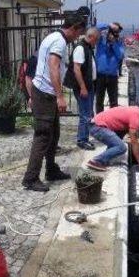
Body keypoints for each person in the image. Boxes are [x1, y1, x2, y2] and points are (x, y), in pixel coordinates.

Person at [22, 14, 87, 192]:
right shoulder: (59, 42)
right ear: (73, 28)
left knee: (54, 134)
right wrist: (60, 96)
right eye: (79, 32)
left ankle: (51, 169)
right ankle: (31, 178)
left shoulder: (54, 37)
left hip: (45, 93)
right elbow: (53, 66)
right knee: (43, 136)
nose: (78, 37)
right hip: (45, 94)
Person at [87, 103, 139, 171]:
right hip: (98, 128)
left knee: (123, 131)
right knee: (121, 147)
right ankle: (96, 161)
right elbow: (134, 141)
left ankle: (104, 159)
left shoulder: (135, 110)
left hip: (96, 125)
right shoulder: (135, 116)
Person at [64, 27, 100, 151]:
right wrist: (83, 87)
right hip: (83, 87)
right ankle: (82, 140)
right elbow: (77, 69)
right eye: (96, 40)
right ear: (90, 37)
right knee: (85, 114)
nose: (97, 42)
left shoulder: (88, 47)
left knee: (89, 113)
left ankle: (85, 137)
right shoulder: (80, 48)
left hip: (90, 85)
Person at [95, 22, 125, 114]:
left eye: (117, 32)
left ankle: (113, 120)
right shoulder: (101, 41)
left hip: (112, 76)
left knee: (114, 101)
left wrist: (113, 44)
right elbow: (94, 28)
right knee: (99, 100)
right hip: (100, 75)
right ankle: (99, 120)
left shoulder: (119, 42)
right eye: (114, 31)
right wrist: (109, 25)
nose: (115, 34)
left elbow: (120, 56)